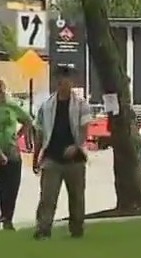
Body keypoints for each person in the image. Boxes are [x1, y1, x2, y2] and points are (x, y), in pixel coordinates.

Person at [33, 64, 92, 240]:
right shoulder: (47, 106)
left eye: (66, 79)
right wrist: (37, 156)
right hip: (52, 157)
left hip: (74, 158)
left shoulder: (81, 105)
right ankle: (43, 229)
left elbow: (84, 128)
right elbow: (40, 131)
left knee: (76, 196)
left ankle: (77, 229)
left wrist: (76, 146)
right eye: (59, 79)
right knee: (47, 196)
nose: (62, 82)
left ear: (71, 82)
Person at [0, 76, 33, 230]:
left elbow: (28, 120)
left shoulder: (11, 106)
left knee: (11, 186)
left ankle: (8, 218)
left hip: (11, 149)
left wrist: (19, 135)